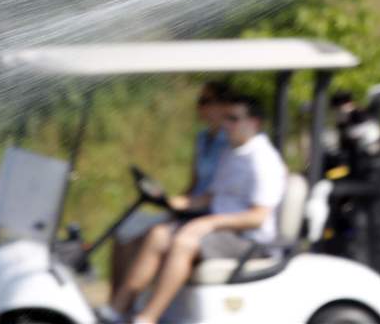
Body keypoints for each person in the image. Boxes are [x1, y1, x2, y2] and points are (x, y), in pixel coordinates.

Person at [107, 93, 287, 323]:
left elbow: (258, 218)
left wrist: (207, 223)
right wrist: (172, 203)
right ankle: (117, 309)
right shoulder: (231, 152)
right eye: (225, 119)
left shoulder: (263, 160)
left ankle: (147, 318)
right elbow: (211, 196)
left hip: (248, 239)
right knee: (158, 234)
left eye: (233, 119)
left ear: (254, 122)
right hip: (222, 230)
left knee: (184, 241)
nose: (226, 125)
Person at [109, 80, 231, 293]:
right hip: (190, 207)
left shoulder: (231, 144)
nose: (199, 107)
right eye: (199, 102)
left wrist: (182, 205)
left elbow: (218, 192)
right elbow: (194, 183)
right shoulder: (202, 138)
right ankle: (116, 300)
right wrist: (171, 204)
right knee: (126, 227)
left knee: (153, 234)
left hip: (207, 212)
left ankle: (124, 304)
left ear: (222, 106)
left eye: (206, 101)